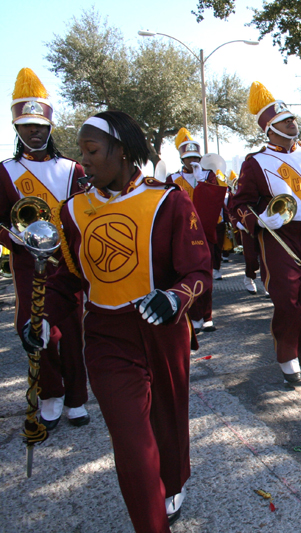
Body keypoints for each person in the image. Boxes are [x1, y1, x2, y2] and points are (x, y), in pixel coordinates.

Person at [24, 110, 211, 531]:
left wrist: (175, 296)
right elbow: (65, 281)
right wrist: (43, 322)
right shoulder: (71, 212)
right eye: (81, 152)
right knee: (131, 441)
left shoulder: (170, 200)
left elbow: (198, 271)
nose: (84, 162)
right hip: (108, 338)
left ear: (122, 151)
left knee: (169, 422)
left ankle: (174, 480)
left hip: (162, 332)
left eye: (92, 151)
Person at [229, 82, 301, 383]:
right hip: (278, 237)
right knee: (287, 299)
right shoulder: (255, 162)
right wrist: (260, 220)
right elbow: (238, 204)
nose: (293, 123)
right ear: (270, 128)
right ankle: (287, 356)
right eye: (285, 120)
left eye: (292, 118)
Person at [0, 68, 89, 430]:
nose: (33, 131)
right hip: (27, 264)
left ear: (50, 127)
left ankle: (77, 399)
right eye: (26, 125)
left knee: (73, 331)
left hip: (67, 263)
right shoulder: (4, 171)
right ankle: (50, 394)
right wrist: (13, 239)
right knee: (34, 329)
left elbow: (88, 213)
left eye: (39, 125)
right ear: (16, 128)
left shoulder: (74, 168)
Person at [166, 128, 226, 332]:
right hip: (183, 232)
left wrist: (202, 181)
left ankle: (207, 316)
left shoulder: (208, 175)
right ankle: (194, 316)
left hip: (206, 230)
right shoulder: (173, 178)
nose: (191, 162)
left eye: (195, 157)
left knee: (206, 273)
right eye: (187, 158)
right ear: (182, 159)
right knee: (187, 274)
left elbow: (215, 199)